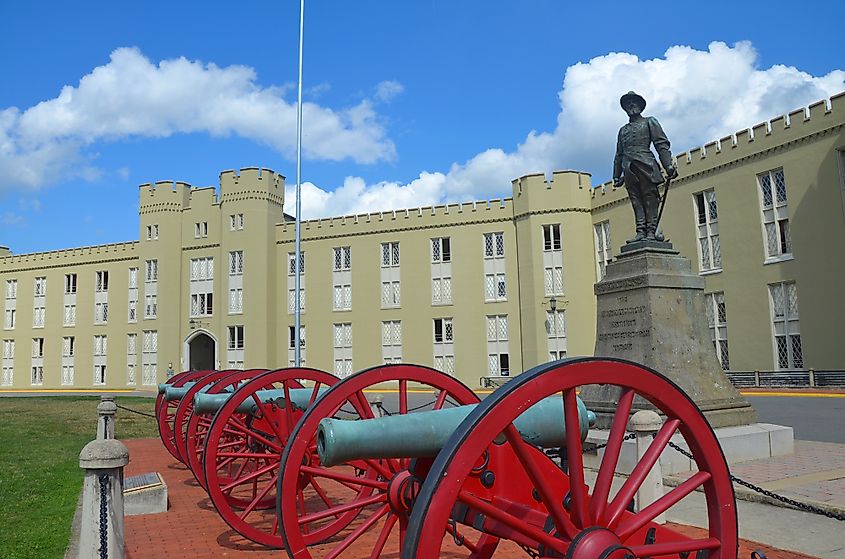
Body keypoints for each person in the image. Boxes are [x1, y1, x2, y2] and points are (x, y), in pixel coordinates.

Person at [612, 91, 678, 242]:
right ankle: (640, 231)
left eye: (634, 102)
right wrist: (616, 175)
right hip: (628, 168)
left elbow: (661, 144)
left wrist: (668, 166)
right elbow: (619, 154)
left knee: (650, 199)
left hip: (646, 165)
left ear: (640, 106)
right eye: (628, 103)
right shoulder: (623, 130)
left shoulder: (650, 121)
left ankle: (651, 231)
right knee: (636, 201)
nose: (631, 105)